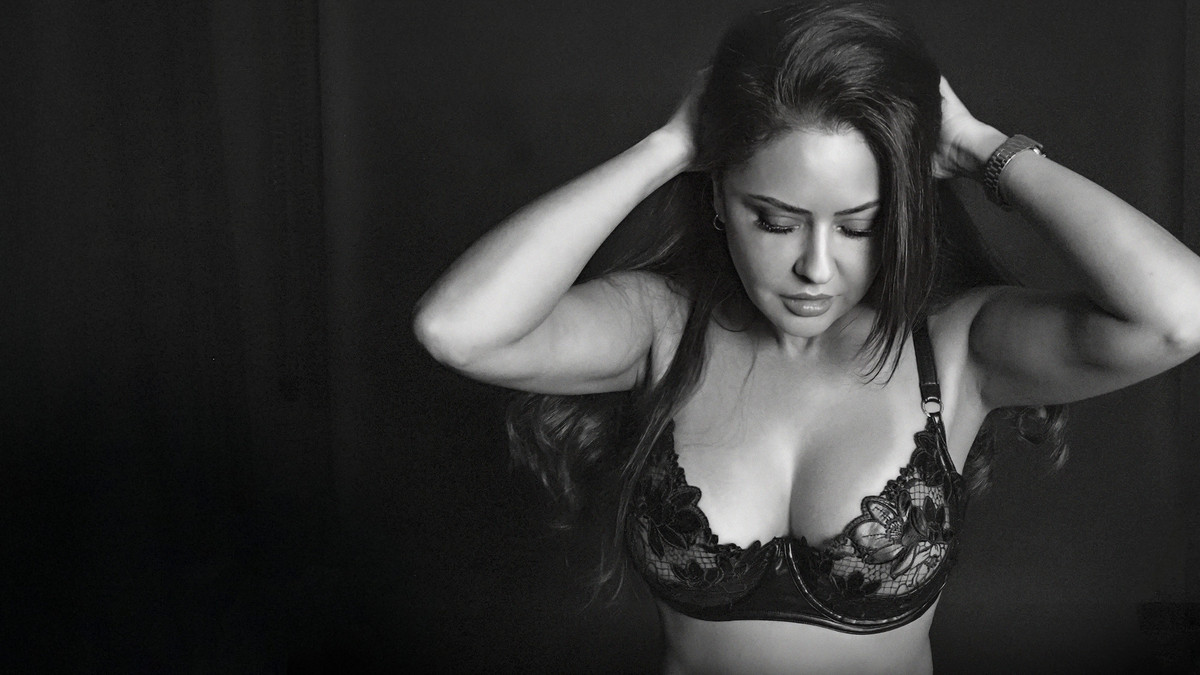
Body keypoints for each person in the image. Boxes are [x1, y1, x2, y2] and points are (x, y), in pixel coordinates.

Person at [413, 2, 1200, 672]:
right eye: (775, 220)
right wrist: (670, 147)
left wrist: (986, 149)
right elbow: (457, 329)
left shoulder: (955, 350)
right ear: (719, 197)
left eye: (859, 226)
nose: (816, 267)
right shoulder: (660, 326)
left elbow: (1180, 316)